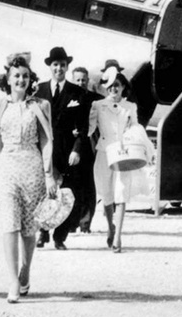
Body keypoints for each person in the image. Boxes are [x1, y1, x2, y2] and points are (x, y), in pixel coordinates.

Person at [0, 55, 56, 303]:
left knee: (28, 228)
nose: (21, 80)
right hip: (7, 168)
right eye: (16, 76)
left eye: (25, 75)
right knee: (9, 223)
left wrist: (48, 175)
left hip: (32, 168)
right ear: (8, 80)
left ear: (30, 79)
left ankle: (26, 270)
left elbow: (46, 141)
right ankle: (13, 280)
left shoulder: (41, 105)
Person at [33, 47, 97, 250]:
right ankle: (43, 233)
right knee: (45, 192)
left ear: (67, 67)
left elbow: (84, 126)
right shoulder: (38, 91)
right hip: (44, 151)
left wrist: (77, 149)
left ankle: (60, 237)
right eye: (55, 65)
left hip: (68, 152)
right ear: (50, 67)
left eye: (62, 65)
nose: (58, 68)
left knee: (68, 193)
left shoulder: (77, 92)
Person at [90, 66, 144, 252]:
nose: (114, 89)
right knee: (106, 195)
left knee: (121, 194)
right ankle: (110, 227)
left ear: (123, 88)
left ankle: (118, 238)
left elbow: (136, 128)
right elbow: (90, 129)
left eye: (117, 86)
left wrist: (131, 133)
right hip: (104, 153)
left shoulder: (130, 107)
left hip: (123, 154)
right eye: (111, 85)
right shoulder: (98, 105)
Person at [67, 65, 97, 233]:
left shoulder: (95, 99)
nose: (80, 83)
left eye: (83, 80)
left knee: (88, 186)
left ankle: (85, 223)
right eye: (77, 80)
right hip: (70, 147)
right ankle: (71, 223)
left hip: (89, 147)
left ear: (88, 81)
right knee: (72, 186)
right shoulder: (67, 97)